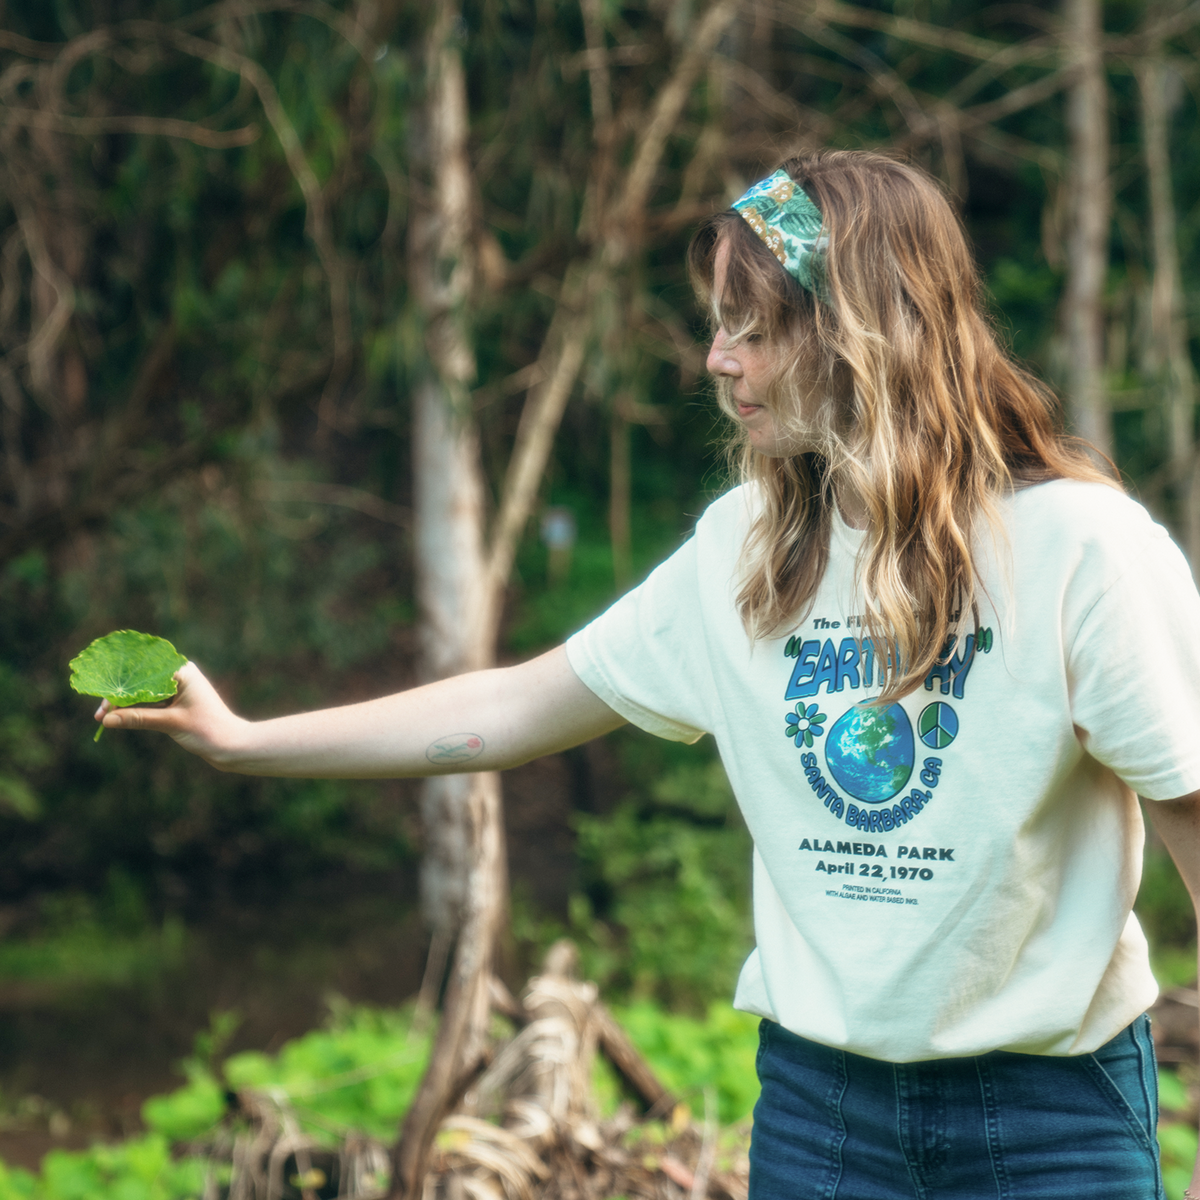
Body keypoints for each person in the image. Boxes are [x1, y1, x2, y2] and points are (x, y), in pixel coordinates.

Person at [97, 150, 1200, 1200]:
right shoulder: (744, 551)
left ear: (863, 334)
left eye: (753, 330)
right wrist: (245, 741)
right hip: (823, 1113)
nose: (718, 359)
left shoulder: (1081, 552)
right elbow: (512, 705)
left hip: (1050, 1117)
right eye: (720, 325)